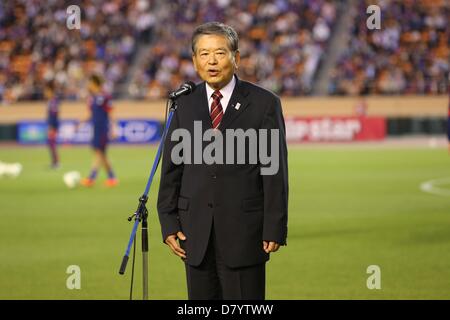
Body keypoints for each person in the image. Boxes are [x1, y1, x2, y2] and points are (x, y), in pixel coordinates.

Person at [157, 22, 288, 300]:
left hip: (245, 233)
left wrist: (274, 226)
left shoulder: (264, 104)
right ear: (194, 61)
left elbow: (274, 170)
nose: (212, 61)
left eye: (219, 53)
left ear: (236, 58)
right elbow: (171, 170)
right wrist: (168, 221)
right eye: (204, 54)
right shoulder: (184, 104)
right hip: (194, 234)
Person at [80, 75, 118, 187]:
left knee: (99, 153)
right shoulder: (91, 98)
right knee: (101, 154)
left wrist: (114, 128)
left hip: (102, 128)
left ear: (95, 83)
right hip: (95, 128)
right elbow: (90, 114)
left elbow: (111, 112)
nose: (88, 85)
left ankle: (92, 178)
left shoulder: (105, 96)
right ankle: (111, 178)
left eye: (90, 82)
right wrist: (80, 123)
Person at [45, 81, 60, 169]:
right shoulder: (50, 101)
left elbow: (54, 115)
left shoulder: (54, 101)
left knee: (52, 144)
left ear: (50, 91)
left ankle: (56, 162)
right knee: (51, 144)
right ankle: (54, 162)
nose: (45, 93)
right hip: (51, 125)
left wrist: (52, 127)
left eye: (46, 91)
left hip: (53, 126)